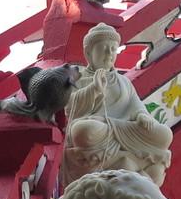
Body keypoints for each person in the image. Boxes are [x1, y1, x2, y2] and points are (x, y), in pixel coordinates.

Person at [62, 23, 173, 187]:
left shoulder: (123, 81)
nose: (109, 54)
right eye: (103, 49)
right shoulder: (79, 78)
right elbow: (70, 108)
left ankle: (123, 159)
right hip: (98, 129)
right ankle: (131, 162)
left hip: (124, 129)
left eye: (113, 49)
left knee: (165, 134)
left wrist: (142, 116)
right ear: (89, 53)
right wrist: (94, 89)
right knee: (83, 131)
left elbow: (135, 105)